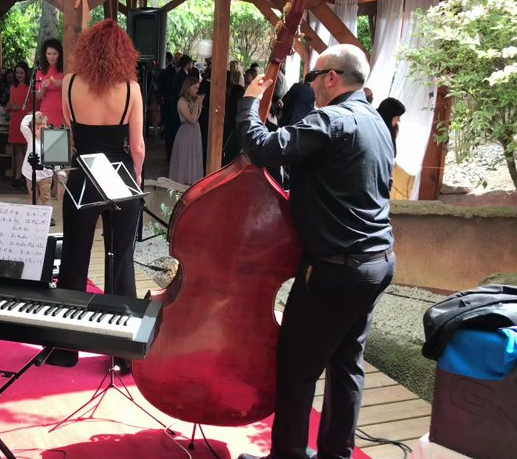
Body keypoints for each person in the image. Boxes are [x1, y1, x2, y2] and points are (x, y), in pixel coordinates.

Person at [236, 44, 395, 459]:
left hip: (334, 270)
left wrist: (249, 102)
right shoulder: (377, 122)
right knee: (346, 365)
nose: (309, 88)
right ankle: (335, 454)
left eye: (312, 78)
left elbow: (262, 148)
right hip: (377, 264)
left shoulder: (332, 120)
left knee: (297, 368)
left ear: (331, 78)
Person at [54, 19, 145, 371]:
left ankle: (65, 348)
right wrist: (136, 176)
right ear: (124, 53)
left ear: (87, 50)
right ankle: (122, 355)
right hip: (120, 176)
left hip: (82, 173)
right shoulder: (131, 89)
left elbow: (68, 129)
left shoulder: (70, 84)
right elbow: (137, 145)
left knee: (74, 260)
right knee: (119, 260)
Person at [169, 76, 204, 185]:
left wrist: (199, 105)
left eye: (197, 88)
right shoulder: (182, 101)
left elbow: (197, 118)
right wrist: (198, 103)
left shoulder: (191, 100)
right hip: (186, 132)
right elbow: (192, 119)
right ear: (188, 88)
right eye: (195, 88)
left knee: (194, 158)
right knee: (185, 158)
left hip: (195, 132)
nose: (197, 91)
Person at [20, 111, 56, 214]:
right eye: (37, 128)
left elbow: (55, 156)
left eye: (43, 128)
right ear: (33, 129)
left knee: (46, 196)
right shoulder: (30, 137)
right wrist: (33, 115)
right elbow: (23, 125)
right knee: (33, 196)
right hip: (30, 174)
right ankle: (33, 214)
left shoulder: (51, 139)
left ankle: (47, 215)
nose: (40, 131)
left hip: (45, 175)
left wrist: (59, 170)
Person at [7, 63, 33, 189]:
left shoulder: (30, 87)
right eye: (17, 72)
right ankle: (18, 176)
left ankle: (27, 176)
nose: (19, 75)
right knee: (18, 150)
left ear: (26, 73)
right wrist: (9, 106)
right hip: (15, 119)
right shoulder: (13, 86)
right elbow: (11, 103)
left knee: (28, 149)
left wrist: (21, 107)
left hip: (26, 119)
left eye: (21, 73)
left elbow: (35, 105)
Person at [36, 38, 66, 129]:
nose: (51, 57)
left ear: (59, 54)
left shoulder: (65, 69)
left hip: (63, 110)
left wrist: (64, 84)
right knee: (47, 140)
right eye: (48, 54)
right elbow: (38, 96)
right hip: (46, 110)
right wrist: (43, 88)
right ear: (45, 55)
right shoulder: (40, 71)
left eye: (54, 54)